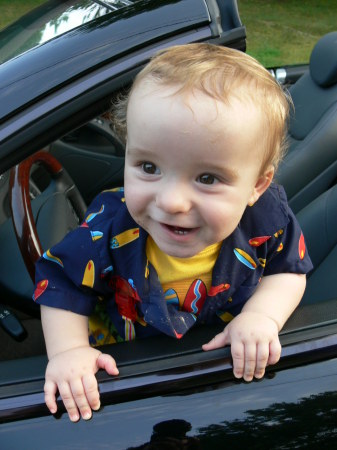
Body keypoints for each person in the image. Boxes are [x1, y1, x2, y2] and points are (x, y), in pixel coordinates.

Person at [34, 43, 313, 422]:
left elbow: (288, 269)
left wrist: (262, 317)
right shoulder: (110, 224)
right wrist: (68, 352)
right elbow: (61, 281)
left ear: (256, 187)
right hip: (127, 367)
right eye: (148, 167)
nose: (172, 202)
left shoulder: (266, 219)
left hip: (215, 377)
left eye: (207, 178)